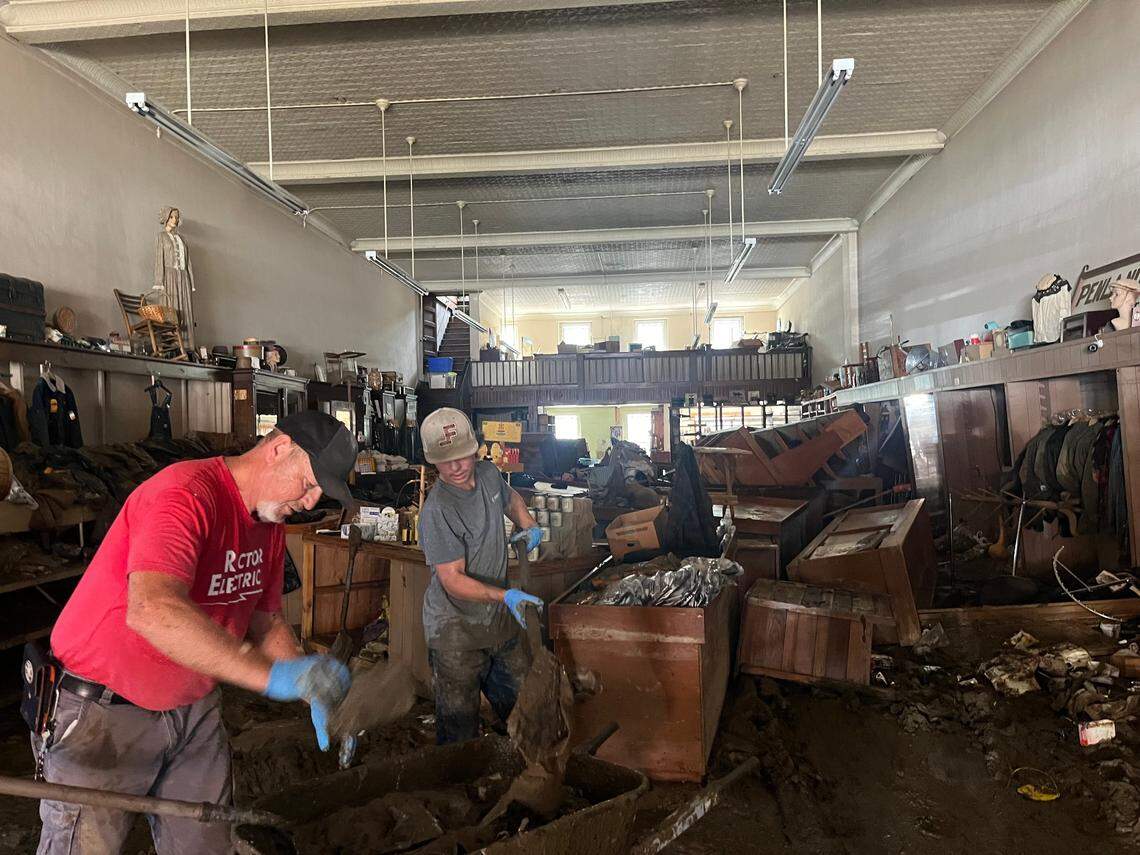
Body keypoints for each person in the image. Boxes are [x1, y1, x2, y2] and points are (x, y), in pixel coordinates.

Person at [34, 411, 358, 854]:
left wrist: (310, 686)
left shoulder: (268, 525)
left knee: (205, 845)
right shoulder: (185, 493)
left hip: (194, 713)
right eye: (308, 483)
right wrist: (270, 678)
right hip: (105, 714)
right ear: (279, 448)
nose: (310, 501)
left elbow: (266, 621)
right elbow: (152, 608)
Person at [417, 407, 543, 745]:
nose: (455, 467)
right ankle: (459, 792)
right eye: (445, 461)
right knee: (459, 732)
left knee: (528, 714)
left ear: (475, 450)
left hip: (500, 624)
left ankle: (527, 783)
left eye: (461, 457)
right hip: (455, 632)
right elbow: (452, 579)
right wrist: (505, 596)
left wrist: (528, 523)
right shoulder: (439, 509)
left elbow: (510, 497)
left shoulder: (488, 474)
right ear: (433, 461)